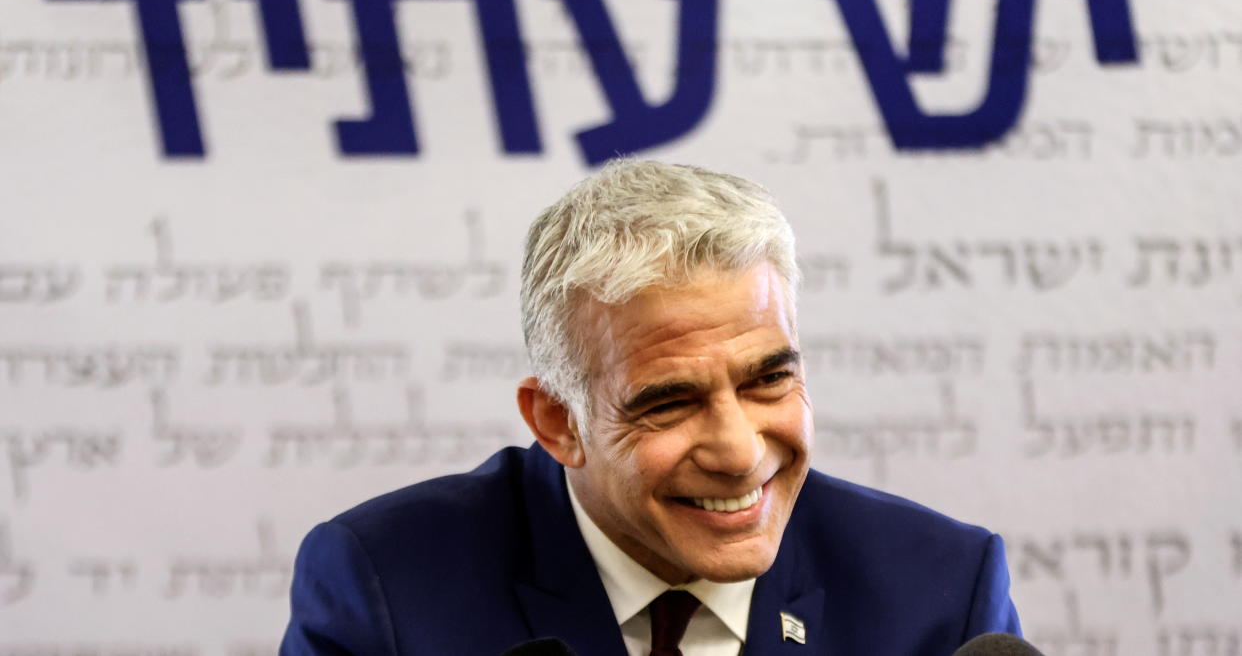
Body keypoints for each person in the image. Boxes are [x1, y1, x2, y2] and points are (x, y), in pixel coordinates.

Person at [281, 160, 1021, 656]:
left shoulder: (940, 594)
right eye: (669, 402)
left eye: (768, 380)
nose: (736, 452)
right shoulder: (388, 588)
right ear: (558, 422)